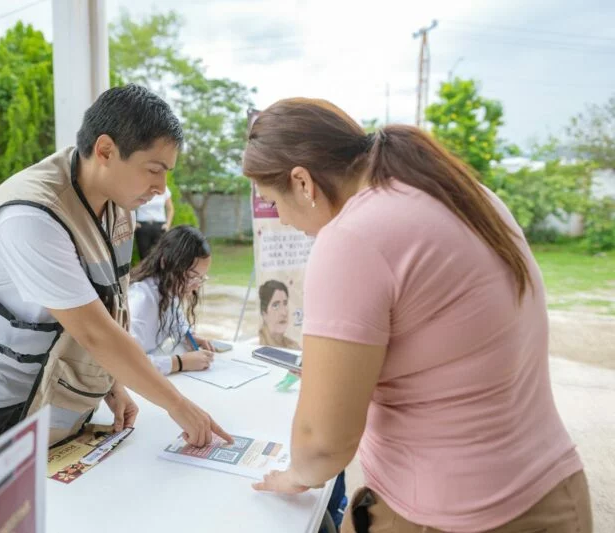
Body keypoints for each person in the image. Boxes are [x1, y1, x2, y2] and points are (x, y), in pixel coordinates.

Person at [244, 98, 591, 533]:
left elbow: (323, 443)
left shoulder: (352, 237)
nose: (281, 219)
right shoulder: (458, 193)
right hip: (553, 495)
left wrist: (292, 476)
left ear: (302, 183)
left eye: (274, 202)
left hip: (457, 515)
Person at [0, 84, 231, 471]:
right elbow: (95, 331)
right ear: (105, 151)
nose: (161, 188)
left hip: (36, 383)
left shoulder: (117, 207)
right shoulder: (32, 214)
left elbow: (111, 305)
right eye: (154, 170)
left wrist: (112, 384)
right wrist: (177, 405)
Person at [129, 225, 217, 375]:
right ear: (166, 262)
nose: (195, 286)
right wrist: (180, 362)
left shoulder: (168, 290)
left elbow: (177, 322)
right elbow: (127, 362)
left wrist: (190, 337)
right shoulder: (141, 299)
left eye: (201, 278)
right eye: (191, 276)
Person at [134, 183, 174, 259]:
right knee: (144, 257)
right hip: (143, 227)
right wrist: (133, 223)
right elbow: (129, 205)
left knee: (160, 255)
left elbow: (170, 209)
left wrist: (168, 225)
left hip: (159, 227)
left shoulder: (164, 188)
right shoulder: (140, 186)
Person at [258, 279, 301, 350]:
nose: (284, 313)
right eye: (275, 305)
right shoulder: (257, 346)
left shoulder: (293, 346)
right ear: (264, 313)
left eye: (285, 303)